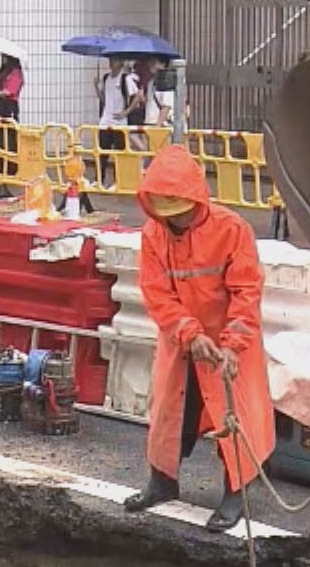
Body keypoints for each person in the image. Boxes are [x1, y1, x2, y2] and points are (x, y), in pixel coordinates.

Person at [124, 144, 274, 532]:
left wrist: (232, 344)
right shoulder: (154, 235)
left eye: (183, 212)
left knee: (234, 416)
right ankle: (162, 482)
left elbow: (246, 291)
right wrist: (188, 333)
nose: (177, 221)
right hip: (181, 343)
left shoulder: (232, 229)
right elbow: (156, 292)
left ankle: (237, 492)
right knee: (170, 414)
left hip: (229, 343)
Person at [95, 57, 130, 185]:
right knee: (102, 152)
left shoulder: (125, 78)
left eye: (114, 60)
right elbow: (104, 100)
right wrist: (97, 88)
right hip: (105, 121)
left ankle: (118, 181)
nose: (111, 63)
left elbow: (137, 96)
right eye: (110, 60)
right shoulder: (106, 78)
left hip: (119, 122)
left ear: (121, 62)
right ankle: (99, 180)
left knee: (118, 153)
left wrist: (125, 112)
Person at [0, 55, 24, 180]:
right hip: (0, 105)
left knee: (10, 137)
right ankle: (0, 166)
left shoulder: (16, 72)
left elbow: (10, 91)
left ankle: (11, 167)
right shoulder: (2, 71)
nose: (2, 58)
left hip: (10, 106)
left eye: (4, 56)